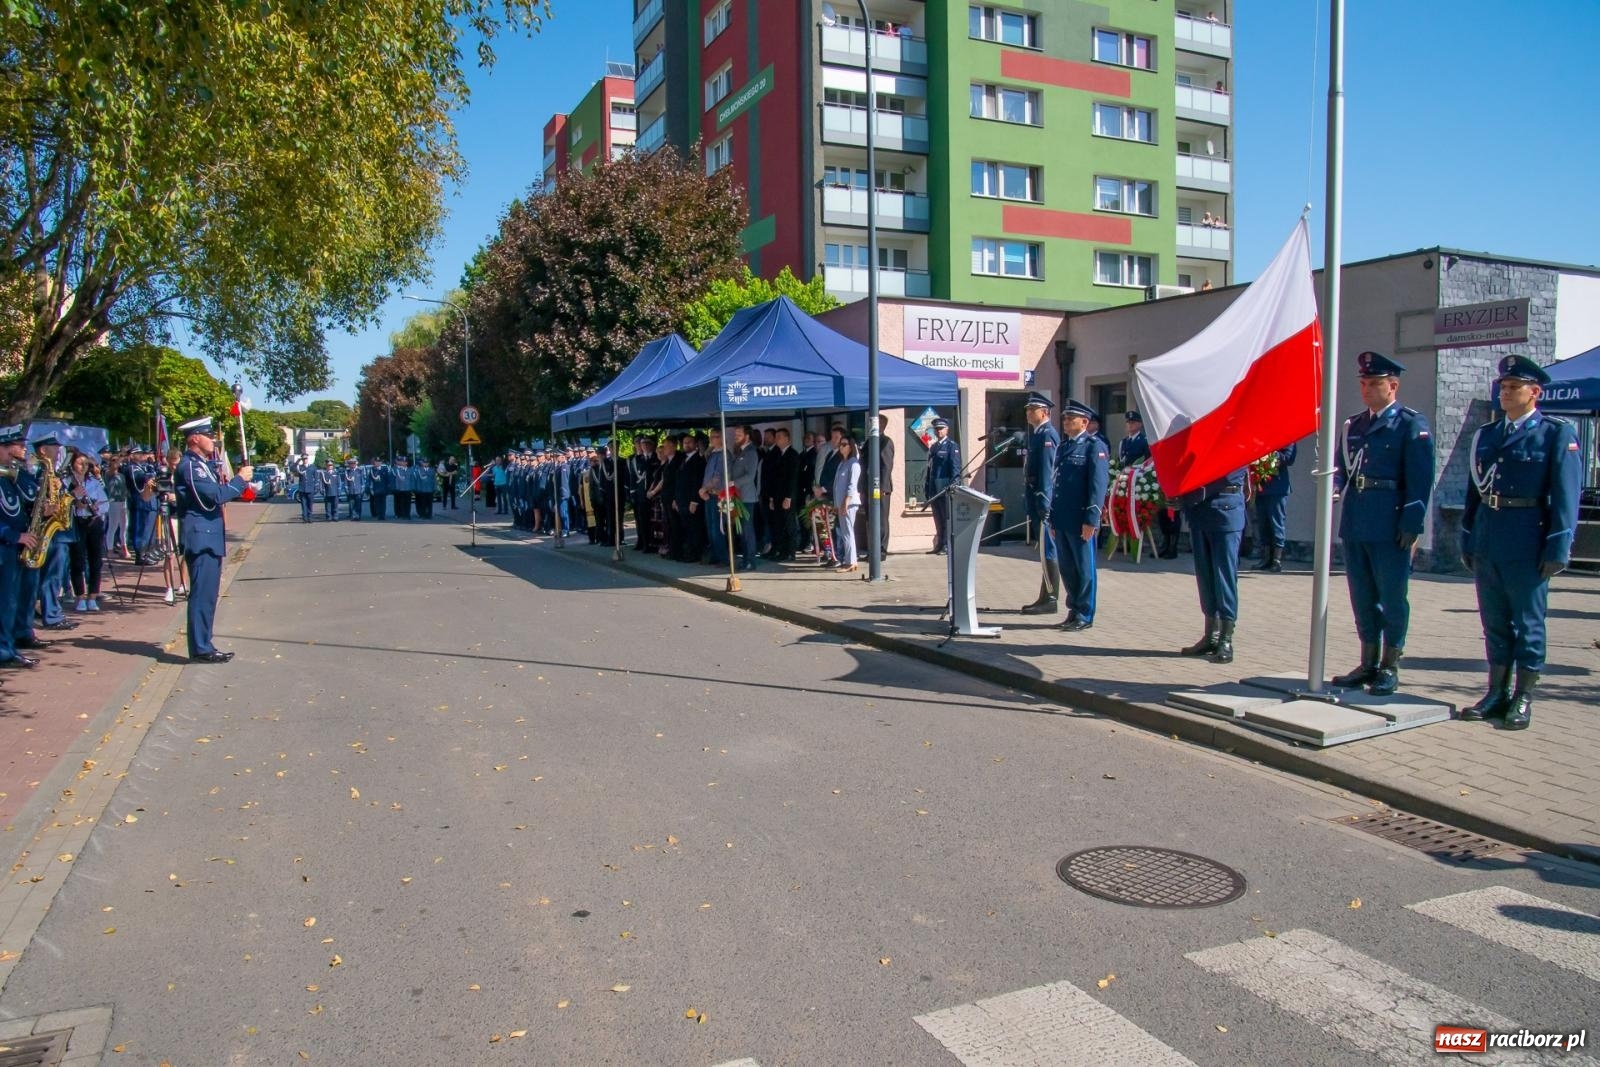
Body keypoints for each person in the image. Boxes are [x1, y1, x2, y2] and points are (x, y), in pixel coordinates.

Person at [1458, 355, 1581, 730]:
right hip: (1489, 538)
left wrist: (1558, 546)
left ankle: (1523, 695)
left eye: (1514, 387)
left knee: (1528, 622)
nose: (1506, 392)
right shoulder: (1488, 435)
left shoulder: (1555, 434)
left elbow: (1565, 495)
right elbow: (1474, 493)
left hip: (1528, 540)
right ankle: (1496, 691)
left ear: (1535, 393)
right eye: (1503, 386)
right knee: (1494, 620)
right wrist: (1468, 537)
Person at [1329, 351, 1435, 696]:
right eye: (1363, 383)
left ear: (1393, 386)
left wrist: (1413, 522)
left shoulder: (1410, 424)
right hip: (1358, 519)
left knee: (1392, 596)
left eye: (1374, 383)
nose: (1367, 389)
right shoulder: (1353, 425)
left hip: (1390, 522)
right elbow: (1343, 470)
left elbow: (1420, 480)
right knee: (1362, 595)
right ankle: (1368, 661)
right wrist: (1333, 489)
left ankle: (1390, 665)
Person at [172, 416, 251, 662]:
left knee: (207, 595)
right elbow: (214, 496)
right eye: (207, 435)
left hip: (209, 536)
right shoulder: (190, 466)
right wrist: (240, 480)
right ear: (194, 438)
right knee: (202, 595)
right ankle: (201, 647)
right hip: (201, 537)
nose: (212, 440)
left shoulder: (201, 464)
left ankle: (203, 643)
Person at [1174, 464, 1247, 664]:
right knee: (1205, 577)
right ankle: (1210, 635)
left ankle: (1226, 638)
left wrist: (1187, 494)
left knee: (1224, 577)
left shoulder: (1238, 442)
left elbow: (1227, 474)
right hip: (1200, 512)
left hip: (1226, 510)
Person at [1049, 401, 1109, 632]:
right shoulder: (1064, 447)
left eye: (1070, 418)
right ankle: (1073, 610)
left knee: (1084, 567)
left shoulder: (1094, 446)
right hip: (1063, 518)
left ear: (1084, 422)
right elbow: (1058, 484)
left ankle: (1085, 613)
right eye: (1064, 418)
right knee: (1068, 567)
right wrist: (1053, 519)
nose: (1065, 422)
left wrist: (1091, 520)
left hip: (1080, 519)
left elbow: (1097, 486)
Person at [0, 424, 43, 669]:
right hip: (5, 545)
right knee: (5, 601)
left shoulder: (13, 475)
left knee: (11, 600)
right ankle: (4, 650)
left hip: (14, 547)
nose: (20, 451)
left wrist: (22, 469)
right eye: (15, 448)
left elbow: (30, 496)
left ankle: (9, 644)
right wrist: (15, 536)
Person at [1020, 392, 1061, 614]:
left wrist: (1044, 502)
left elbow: (1047, 472)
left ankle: (1051, 598)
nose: (1028, 412)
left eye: (1032, 409)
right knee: (1044, 550)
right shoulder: (1037, 434)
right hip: (1035, 497)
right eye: (1027, 409)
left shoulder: (1047, 435)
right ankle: (1045, 595)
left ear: (1044, 412)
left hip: (1042, 500)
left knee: (1048, 550)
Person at [66, 451, 108, 612]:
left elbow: (105, 502)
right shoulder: (67, 482)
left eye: (86, 464)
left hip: (94, 522)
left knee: (96, 560)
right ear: (72, 465)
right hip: (77, 522)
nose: (83, 467)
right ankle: (80, 596)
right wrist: (75, 501)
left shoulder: (94, 482)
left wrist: (98, 507)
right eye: (80, 464)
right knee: (77, 560)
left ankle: (92, 596)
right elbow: (64, 502)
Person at [1251, 444, 1298, 573]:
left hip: (1277, 487)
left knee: (1276, 523)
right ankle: (1266, 558)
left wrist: (1269, 454)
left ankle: (1277, 559)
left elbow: (1289, 457)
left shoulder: (1287, 436)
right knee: (1263, 524)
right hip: (1262, 486)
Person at [923, 418, 959, 554]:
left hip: (945, 488)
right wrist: (927, 487)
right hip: (934, 487)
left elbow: (955, 469)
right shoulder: (934, 447)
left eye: (941, 429)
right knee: (937, 518)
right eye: (936, 429)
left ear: (947, 429)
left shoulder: (951, 446)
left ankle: (946, 545)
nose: (938, 431)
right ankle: (939, 544)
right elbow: (930, 469)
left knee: (946, 518)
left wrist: (953, 487)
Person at [728, 424, 760, 569]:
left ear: (747, 436)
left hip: (746, 496)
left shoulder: (751, 452)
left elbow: (750, 475)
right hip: (737, 496)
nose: (736, 437)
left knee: (747, 530)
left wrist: (734, 482)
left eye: (739, 435)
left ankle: (750, 560)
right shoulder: (739, 452)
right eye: (735, 435)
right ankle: (745, 558)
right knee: (741, 530)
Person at [832, 436, 862, 573]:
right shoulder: (841, 463)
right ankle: (851, 560)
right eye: (840, 444)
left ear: (851, 446)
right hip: (841, 503)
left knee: (848, 532)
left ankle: (850, 561)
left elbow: (852, 485)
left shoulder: (853, 463)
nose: (841, 447)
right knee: (845, 532)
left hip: (849, 503)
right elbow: (836, 485)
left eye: (844, 444)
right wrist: (836, 503)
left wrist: (845, 502)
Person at [679, 434, 707, 563]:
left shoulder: (699, 460)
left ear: (695, 444)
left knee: (695, 527)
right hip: (683, 499)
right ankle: (688, 551)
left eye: (689, 442)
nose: (686, 445)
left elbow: (697, 482)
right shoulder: (683, 459)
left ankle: (696, 553)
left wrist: (694, 501)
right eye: (685, 443)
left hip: (693, 500)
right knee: (686, 527)